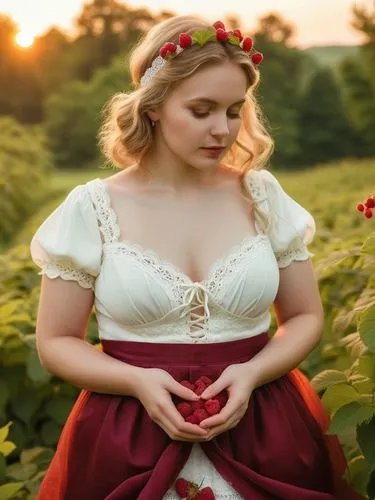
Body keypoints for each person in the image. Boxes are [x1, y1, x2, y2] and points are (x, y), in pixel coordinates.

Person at [30, 15, 363, 500]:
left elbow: (305, 316)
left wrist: (253, 372)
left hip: (266, 427)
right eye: (202, 110)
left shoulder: (261, 196)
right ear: (155, 106)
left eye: (233, 111)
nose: (223, 130)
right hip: (127, 436)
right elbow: (56, 340)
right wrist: (136, 381)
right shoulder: (93, 208)